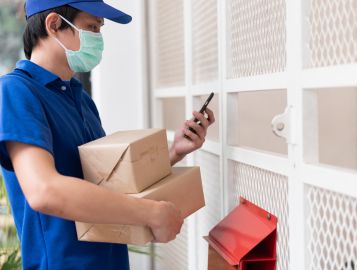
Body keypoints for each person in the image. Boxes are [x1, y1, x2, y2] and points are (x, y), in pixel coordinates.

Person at [0, 1, 215, 269]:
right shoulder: (16, 91)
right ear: (54, 24)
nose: (98, 39)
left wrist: (174, 152)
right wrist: (151, 213)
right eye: (91, 27)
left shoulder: (81, 99)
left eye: (100, 29)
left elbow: (108, 184)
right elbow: (45, 191)